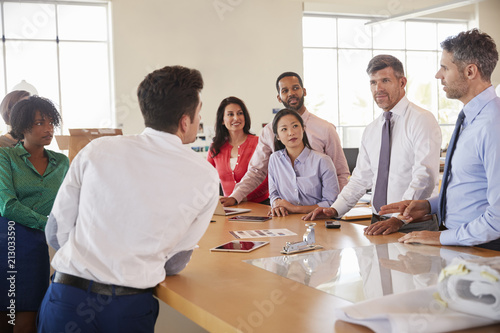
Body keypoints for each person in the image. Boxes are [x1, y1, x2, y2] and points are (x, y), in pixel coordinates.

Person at [37, 66, 219, 333]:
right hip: (128, 309)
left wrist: (92, 258)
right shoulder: (205, 177)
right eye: (198, 112)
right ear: (184, 121)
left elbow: (54, 233)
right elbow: (174, 262)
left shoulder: (97, 150)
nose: (199, 117)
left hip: (68, 298)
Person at [380, 29, 500, 251]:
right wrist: (429, 206)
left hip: (485, 251)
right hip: (461, 245)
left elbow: (499, 217)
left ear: (470, 71)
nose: (438, 75)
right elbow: (470, 187)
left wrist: (440, 237)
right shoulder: (470, 117)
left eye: (445, 67)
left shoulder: (493, 125)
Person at [304, 55, 442, 235]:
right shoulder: (372, 130)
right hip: (378, 222)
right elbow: (360, 179)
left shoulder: (421, 119)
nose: (379, 88)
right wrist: (335, 209)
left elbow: (425, 177)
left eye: (385, 80)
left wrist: (398, 218)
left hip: (413, 225)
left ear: (402, 82)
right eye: (373, 82)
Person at [221, 71, 349, 206]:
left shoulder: (325, 129)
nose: (291, 93)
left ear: (304, 91)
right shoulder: (269, 131)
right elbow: (257, 171)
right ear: (279, 97)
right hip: (285, 213)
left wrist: (336, 208)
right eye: (285, 90)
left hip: (320, 211)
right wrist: (235, 196)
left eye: (295, 88)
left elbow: (341, 173)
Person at [0, 96, 69, 333]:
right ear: (22, 127)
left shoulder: (62, 163)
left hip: (39, 246)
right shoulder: (5, 157)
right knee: (7, 319)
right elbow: (7, 205)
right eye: (40, 123)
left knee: (30, 318)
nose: (48, 129)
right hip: (8, 241)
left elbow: (69, 204)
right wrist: (48, 224)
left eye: (51, 123)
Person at [268, 109, 339, 217]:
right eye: (284, 129)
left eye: (295, 126)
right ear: (277, 136)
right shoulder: (275, 159)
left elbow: (330, 203)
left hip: (316, 223)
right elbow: (274, 194)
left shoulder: (322, 161)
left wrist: (295, 209)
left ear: (303, 128)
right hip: (285, 221)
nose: (291, 132)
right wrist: (277, 205)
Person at [207, 96, 269, 204]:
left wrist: (238, 198)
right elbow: (206, 177)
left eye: (240, 113)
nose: (236, 118)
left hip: (259, 206)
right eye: (230, 114)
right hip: (229, 208)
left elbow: (266, 179)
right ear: (222, 120)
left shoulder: (259, 143)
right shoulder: (215, 148)